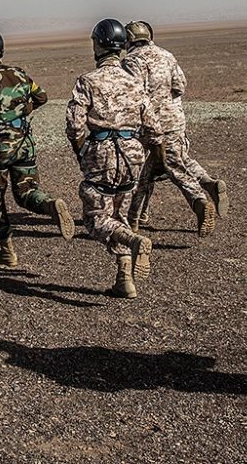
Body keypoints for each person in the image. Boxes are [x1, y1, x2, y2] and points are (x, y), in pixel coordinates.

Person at [0, 29, 75, 267]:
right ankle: (50, 204)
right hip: (24, 143)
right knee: (27, 192)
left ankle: (6, 250)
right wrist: (23, 111)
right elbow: (41, 96)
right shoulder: (18, 73)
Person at [66, 19, 163, 298]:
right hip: (133, 154)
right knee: (120, 214)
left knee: (96, 218)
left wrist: (83, 150)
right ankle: (125, 280)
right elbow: (154, 127)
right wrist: (150, 154)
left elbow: (74, 125)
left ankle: (135, 240)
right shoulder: (134, 82)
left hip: (102, 152)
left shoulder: (88, 81)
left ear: (97, 45)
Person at [122, 20, 227, 237]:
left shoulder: (132, 61)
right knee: (171, 162)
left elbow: (133, 97)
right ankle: (207, 184)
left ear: (128, 40)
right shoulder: (166, 54)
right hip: (175, 121)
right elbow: (180, 85)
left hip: (149, 125)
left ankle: (199, 202)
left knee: (156, 170)